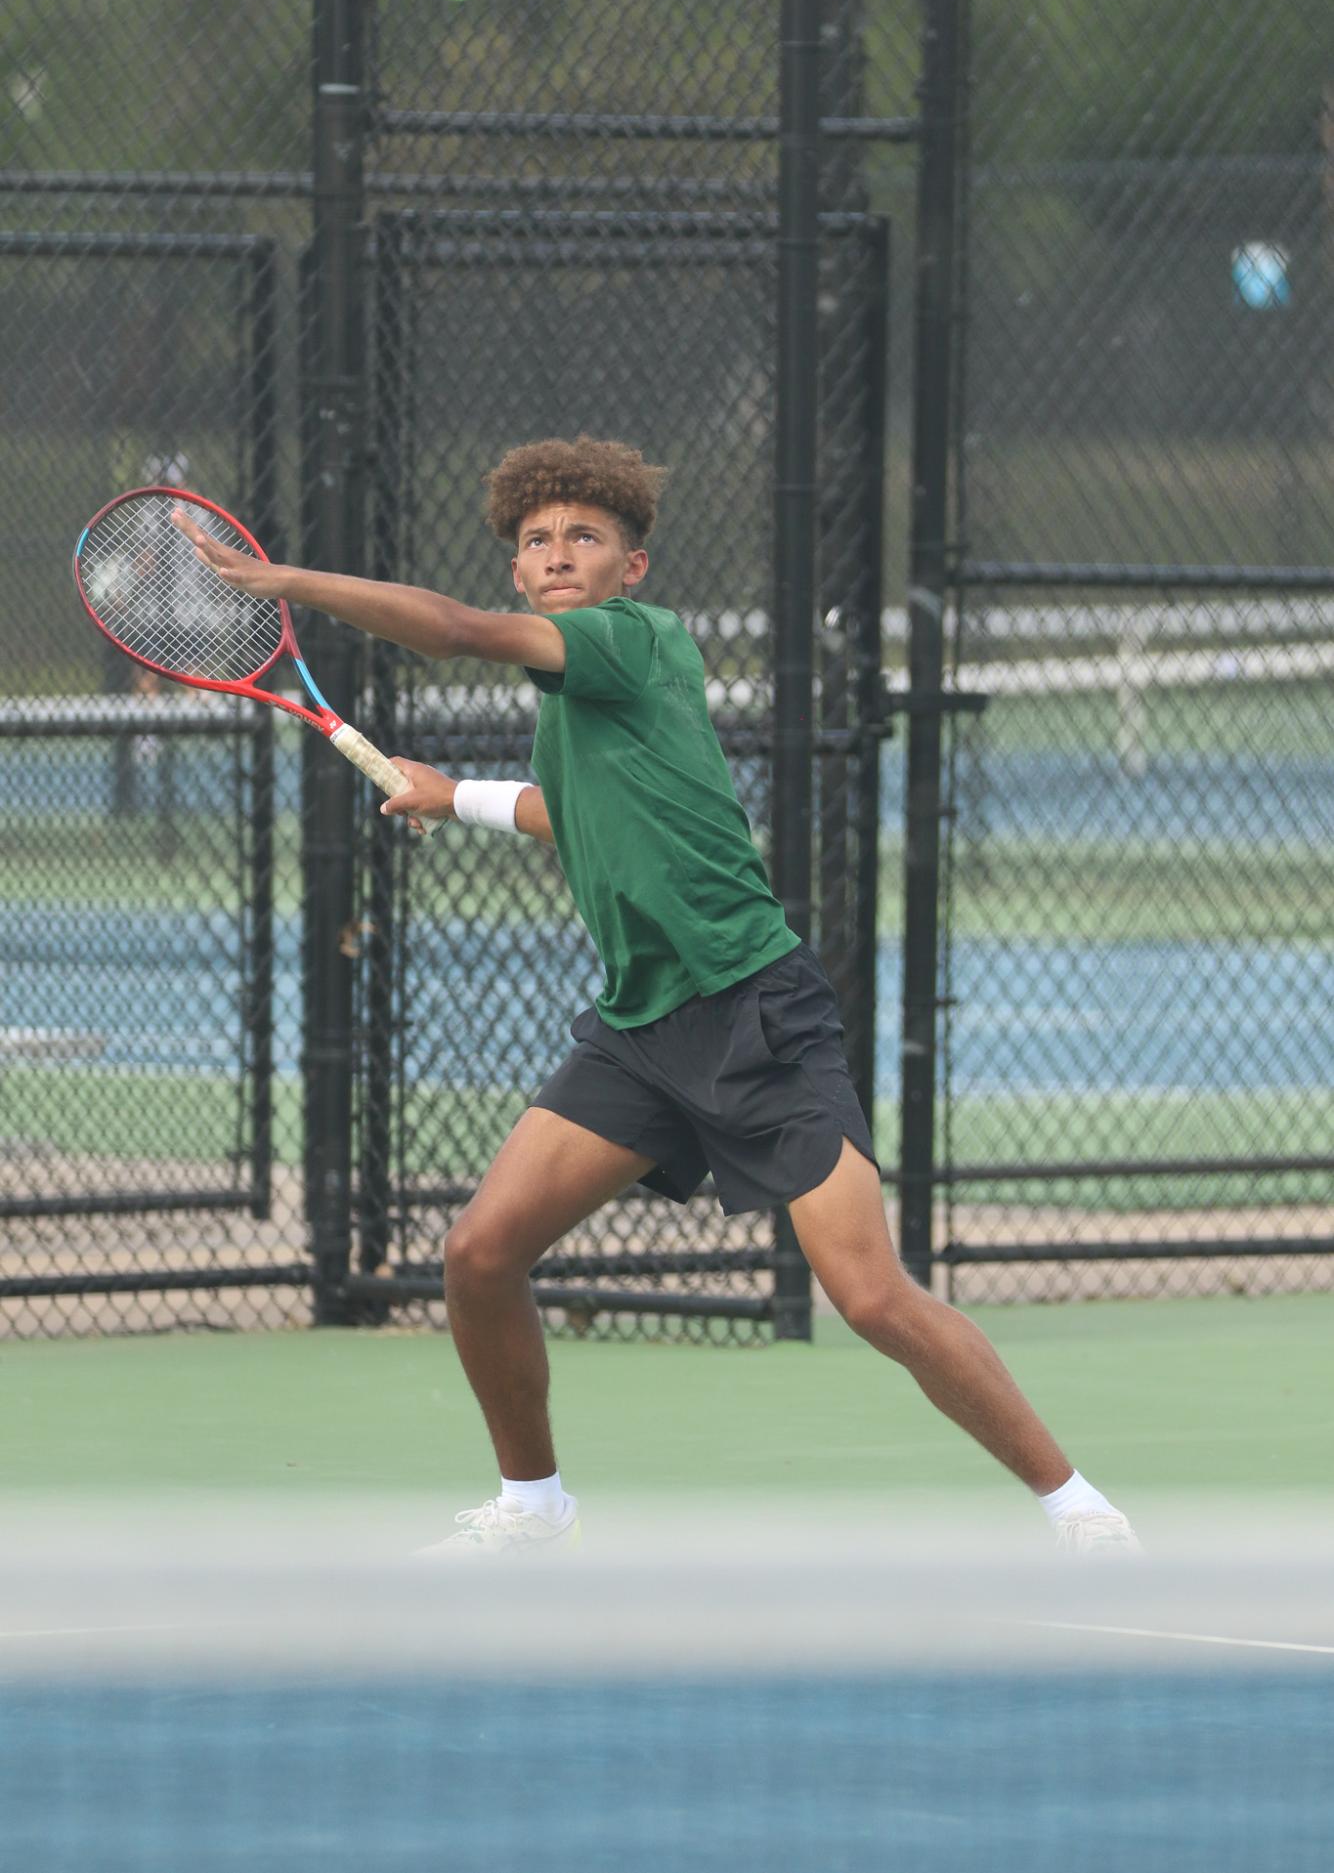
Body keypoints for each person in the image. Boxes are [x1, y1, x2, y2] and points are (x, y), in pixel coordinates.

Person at [180, 436, 1140, 1558]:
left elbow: (450, 630)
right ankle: (533, 1506)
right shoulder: (580, 695)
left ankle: (1076, 1508)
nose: (555, 555)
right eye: (535, 541)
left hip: (752, 1011)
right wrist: (466, 799)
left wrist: (286, 585)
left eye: (583, 537)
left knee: (871, 1299)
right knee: (480, 1254)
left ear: (631, 567)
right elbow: (576, 811)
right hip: (640, 1030)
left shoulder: (629, 642)